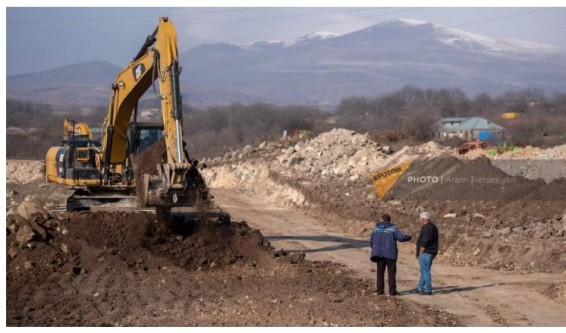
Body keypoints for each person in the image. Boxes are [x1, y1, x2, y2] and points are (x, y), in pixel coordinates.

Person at [369, 213, 412, 296]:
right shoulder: (393, 228)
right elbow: (401, 237)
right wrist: (409, 237)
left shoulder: (376, 228)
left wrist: (375, 250)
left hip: (379, 254)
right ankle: (392, 292)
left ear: (382, 220)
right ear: (389, 221)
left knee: (380, 272)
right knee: (391, 273)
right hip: (390, 253)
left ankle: (379, 291)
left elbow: (371, 241)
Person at [416, 211, 439, 295]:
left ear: (423, 218)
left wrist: (421, 250)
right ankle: (420, 287)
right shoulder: (432, 226)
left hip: (426, 252)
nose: (419, 220)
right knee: (424, 270)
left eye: (420, 218)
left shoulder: (427, 228)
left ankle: (428, 289)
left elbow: (426, 240)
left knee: (425, 271)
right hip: (430, 252)